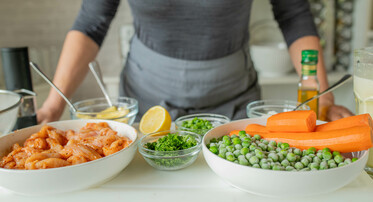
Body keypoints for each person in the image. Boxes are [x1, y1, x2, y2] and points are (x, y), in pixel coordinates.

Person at [37, 0, 353, 124]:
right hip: (145, 102)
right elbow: (92, 23)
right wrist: (53, 106)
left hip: (234, 103)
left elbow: (294, 15)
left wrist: (321, 95)